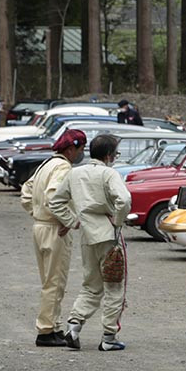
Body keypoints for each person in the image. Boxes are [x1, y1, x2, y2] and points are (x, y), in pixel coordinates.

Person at [48, 133, 131, 351]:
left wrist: (73, 221)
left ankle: (74, 325)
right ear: (109, 155)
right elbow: (124, 200)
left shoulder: (75, 174)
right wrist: (118, 221)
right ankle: (109, 336)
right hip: (108, 234)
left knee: (91, 285)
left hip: (87, 234)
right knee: (114, 285)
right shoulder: (109, 174)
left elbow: (55, 201)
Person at [19, 128, 86, 347]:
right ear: (70, 148)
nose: (80, 153)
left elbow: (26, 192)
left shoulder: (46, 164)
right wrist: (69, 220)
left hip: (41, 226)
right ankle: (46, 331)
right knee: (54, 282)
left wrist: (37, 213)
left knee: (50, 280)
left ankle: (53, 326)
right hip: (54, 229)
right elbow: (53, 196)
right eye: (80, 149)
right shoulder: (63, 167)